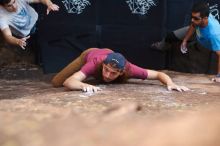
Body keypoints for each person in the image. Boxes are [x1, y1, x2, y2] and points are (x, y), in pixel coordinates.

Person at [51, 48, 189, 93]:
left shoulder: (129, 69)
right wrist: (83, 84)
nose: (107, 74)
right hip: (90, 53)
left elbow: (158, 74)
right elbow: (69, 82)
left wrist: (170, 83)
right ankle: (89, 76)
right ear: (103, 65)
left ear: (122, 72)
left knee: (100, 80)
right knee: (56, 82)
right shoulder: (95, 63)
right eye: (106, 70)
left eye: (113, 73)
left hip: (108, 56)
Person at [151, 2, 220, 82]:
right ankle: (163, 46)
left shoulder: (214, 34)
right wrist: (185, 40)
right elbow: (193, 25)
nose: (192, 20)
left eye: (196, 18)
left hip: (207, 40)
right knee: (171, 36)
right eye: (192, 17)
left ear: (205, 18)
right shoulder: (198, 20)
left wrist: (219, 76)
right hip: (199, 33)